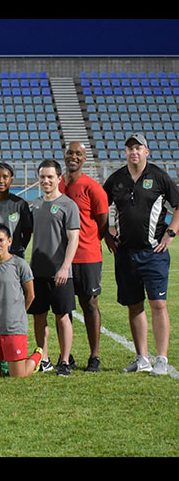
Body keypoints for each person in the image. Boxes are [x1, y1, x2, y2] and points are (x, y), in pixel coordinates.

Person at [103, 134, 179, 376]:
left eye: (138, 148)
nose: (134, 152)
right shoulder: (116, 179)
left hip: (153, 252)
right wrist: (106, 235)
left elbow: (178, 206)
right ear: (124, 153)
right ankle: (142, 358)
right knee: (134, 306)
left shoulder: (158, 176)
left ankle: (162, 359)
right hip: (125, 253)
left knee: (158, 304)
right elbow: (99, 207)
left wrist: (170, 234)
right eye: (129, 148)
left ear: (147, 151)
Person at [59, 141, 110, 372]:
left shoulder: (93, 187)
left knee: (89, 304)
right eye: (70, 152)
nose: (73, 156)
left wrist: (88, 242)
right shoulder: (57, 184)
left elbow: (102, 222)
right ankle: (66, 356)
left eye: (78, 153)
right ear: (65, 155)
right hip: (61, 259)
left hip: (88, 256)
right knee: (64, 307)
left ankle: (95, 356)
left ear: (84, 158)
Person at [28, 159, 80, 376]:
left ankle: (65, 360)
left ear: (59, 178)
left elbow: (73, 239)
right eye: (42, 177)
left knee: (62, 317)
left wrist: (65, 267)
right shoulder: (35, 205)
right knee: (39, 317)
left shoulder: (69, 205)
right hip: (37, 273)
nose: (46, 181)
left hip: (60, 273)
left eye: (50, 177)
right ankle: (44, 358)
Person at [0, 224, 42, 377]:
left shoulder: (20, 264)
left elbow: (30, 295)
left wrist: (18, 313)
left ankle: (37, 356)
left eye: (1, 240)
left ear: (9, 241)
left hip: (13, 327)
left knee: (18, 376)